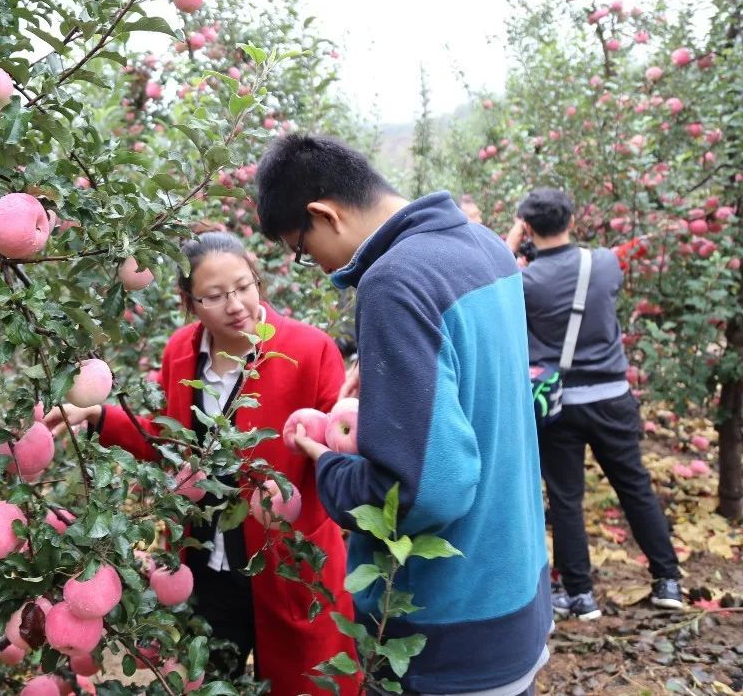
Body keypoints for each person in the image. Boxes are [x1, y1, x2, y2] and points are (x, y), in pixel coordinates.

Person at [254, 133, 551, 696]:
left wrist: (326, 465)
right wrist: (393, 376)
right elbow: (480, 378)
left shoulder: (395, 281)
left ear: (324, 214)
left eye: (301, 247)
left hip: (446, 626)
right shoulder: (483, 245)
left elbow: (421, 493)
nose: (311, 264)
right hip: (514, 592)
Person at [44, 231, 359, 696]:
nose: (236, 305)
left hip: (285, 561)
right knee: (213, 680)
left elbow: (340, 443)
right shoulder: (181, 352)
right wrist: (99, 415)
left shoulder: (309, 351)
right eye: (214, 296)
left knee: (304, 682)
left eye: (244, 286)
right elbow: (169, 441)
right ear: (189, 303)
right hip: (205, 561)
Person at [506, 189, 683, 619]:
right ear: (571, 220)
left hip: (558, 404)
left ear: (527, 227)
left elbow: (494, 285)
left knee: (566, 498)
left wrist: (510, 245)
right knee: (634, 486)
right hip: (612, 399)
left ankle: (580, 595)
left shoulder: (523, 283)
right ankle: (668, 581)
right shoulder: (603, 263)